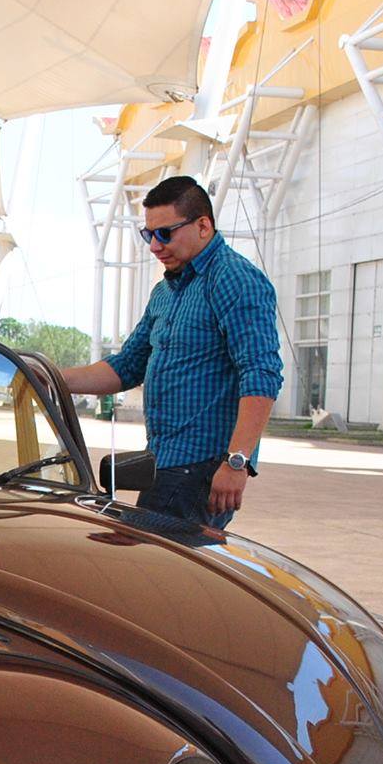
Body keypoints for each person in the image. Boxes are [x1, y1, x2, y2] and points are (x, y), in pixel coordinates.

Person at [58, 176, 281, 532]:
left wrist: (236, 462)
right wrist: (49, 377)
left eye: (165, 234)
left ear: (203, 226)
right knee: (146, 560)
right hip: (164, 465)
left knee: (151, 561)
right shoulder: (166, 292)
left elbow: (261, 372)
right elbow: (127, 366)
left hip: (201, 470)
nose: (154, 246)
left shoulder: (234, 279)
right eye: (148, 235)